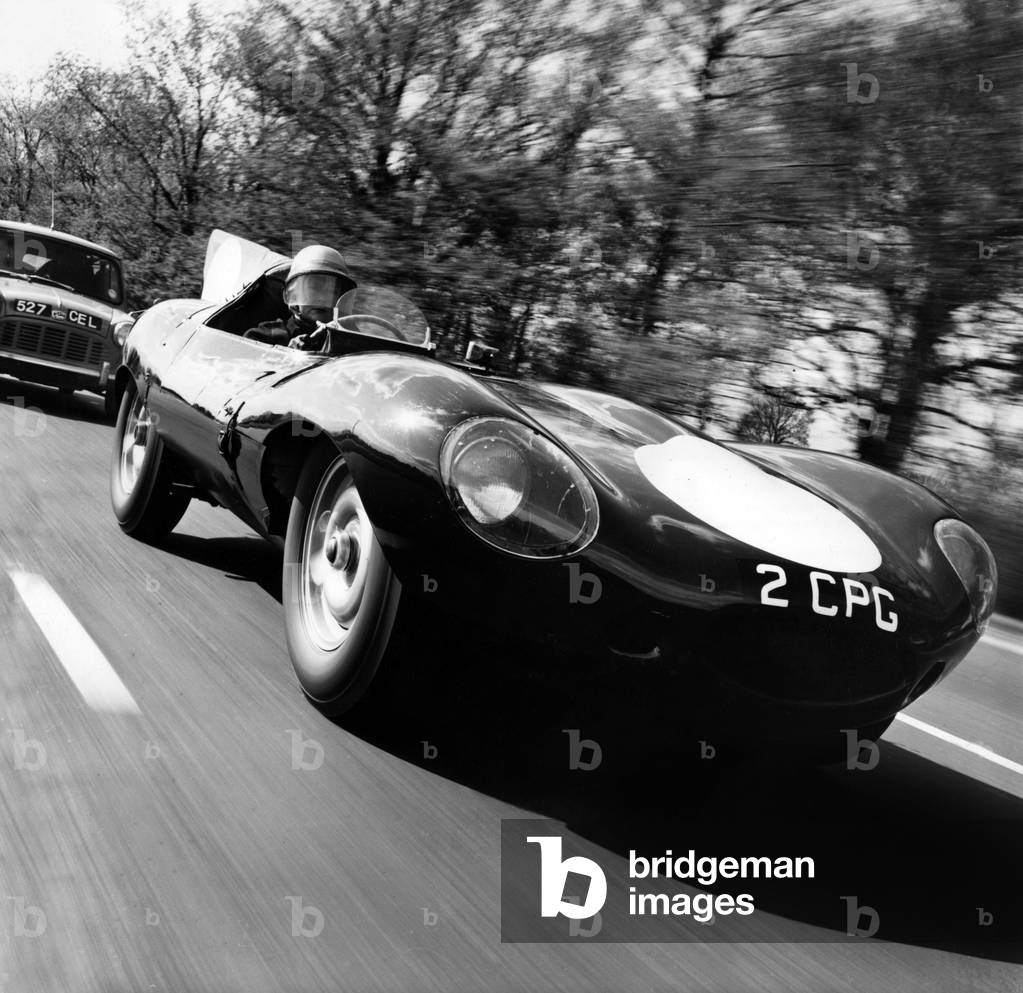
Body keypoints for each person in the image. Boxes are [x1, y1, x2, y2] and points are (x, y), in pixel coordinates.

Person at [244, 245, 356, 350]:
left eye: (332, 291)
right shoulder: (262, 338)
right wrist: (287, 355)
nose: (322, 298)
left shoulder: (350, 342)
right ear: (291, 294)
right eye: (314, 288)